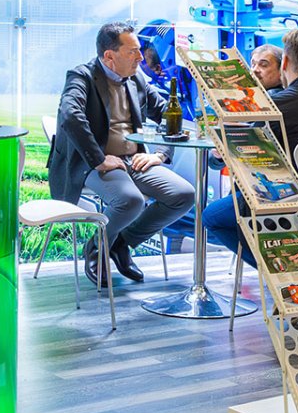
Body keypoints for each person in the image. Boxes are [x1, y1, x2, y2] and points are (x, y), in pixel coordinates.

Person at [48, 23, 195, 288]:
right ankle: (97, 249)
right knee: (130, 200)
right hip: (93, 163)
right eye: (132, 52)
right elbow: (70, 115)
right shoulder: (81, 77)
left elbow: (168, 112)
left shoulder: (137, 78)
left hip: (133, 161)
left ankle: (120, 243)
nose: (140, 57)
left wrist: (160, 154)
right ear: (109, 56)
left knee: (184, 195)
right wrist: (99, 159)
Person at [203, 29, 298, 267]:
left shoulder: (276, 107)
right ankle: (296, 265)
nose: (255, 70)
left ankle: (285, 269)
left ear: (284, 63)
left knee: (212, 217)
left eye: (263, 64)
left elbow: (249, 162)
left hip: (294, 204)